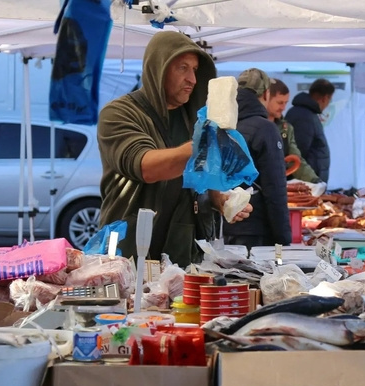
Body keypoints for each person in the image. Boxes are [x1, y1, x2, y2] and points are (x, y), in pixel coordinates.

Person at [97, 31, 251, 267]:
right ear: (159, 68)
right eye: (182, 68)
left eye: (195, 70)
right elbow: (145, 167)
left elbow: (199, 176)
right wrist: (200, 145)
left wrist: (218, 198)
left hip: (183, 250)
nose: (192, 79)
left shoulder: (195, 117)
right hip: (129, 250)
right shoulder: (119, 114)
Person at [223, 68, 291, 249]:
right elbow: (275, 187)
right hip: (256, 231)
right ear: (266, 94)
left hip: (227, 228)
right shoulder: (265, 129)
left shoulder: (224, 125)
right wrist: (284, 238)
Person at [266, 78, 322, 183]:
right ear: (266, 98)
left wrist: (315, 181)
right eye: (279, 102)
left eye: (286, 103)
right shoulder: (251, 125)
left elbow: (295, 159)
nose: (283, 107)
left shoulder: (286, 129)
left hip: (279, 188)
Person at [285, 78, 335, 182]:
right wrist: (313, 180)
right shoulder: (304, 116)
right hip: (306, 182)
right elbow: (298, 153)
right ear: (325, 98)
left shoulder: (305, 113)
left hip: (307, 179)